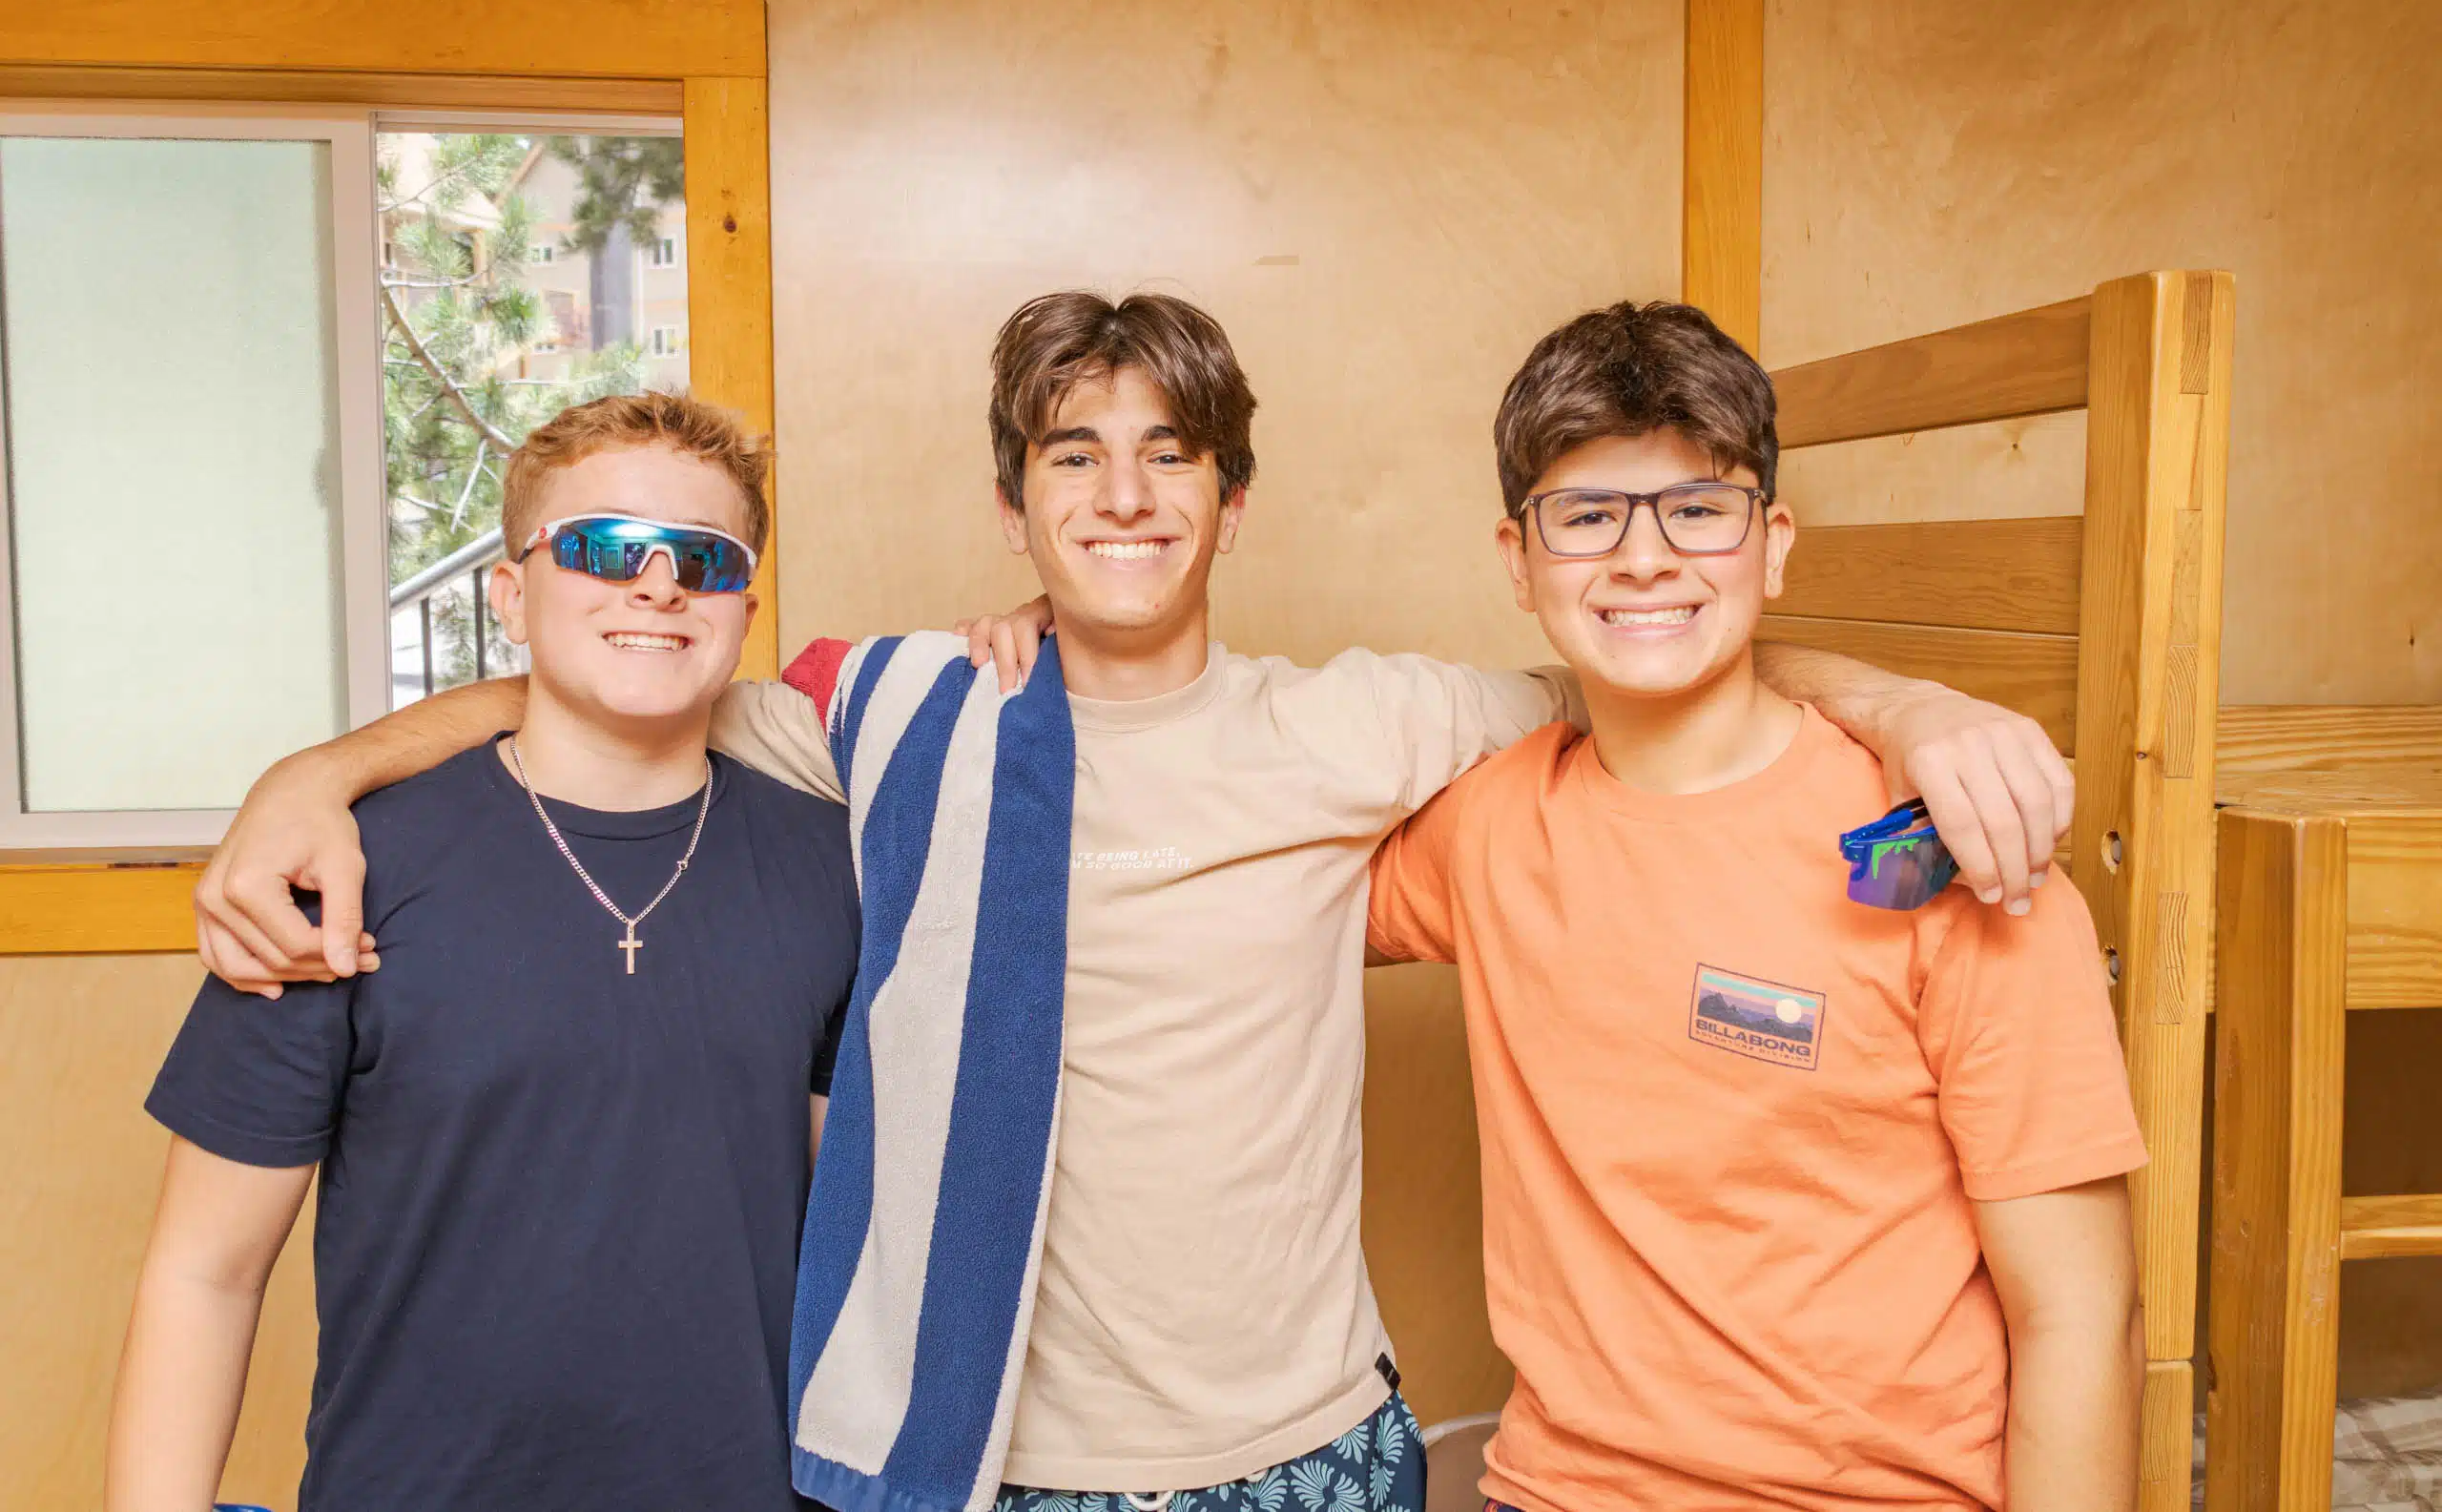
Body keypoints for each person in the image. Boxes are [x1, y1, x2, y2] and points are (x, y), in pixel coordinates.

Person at [191, 293, 2077, 1512]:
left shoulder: (1378, 728)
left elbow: (1667, 681)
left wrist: (1913, 703)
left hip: (1303, 1450)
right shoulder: (903, 713)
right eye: (1072, 456)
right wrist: (318, 772)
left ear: (1227, 499)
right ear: (1016, 501)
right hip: (988, 1450)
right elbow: (612, 684)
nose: (1121, 494)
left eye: (1168, 452)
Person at [1365, 301, 2146, 1512]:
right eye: (1585, 517)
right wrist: (1070, 654)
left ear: (1773, 545)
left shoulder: (1948, 848)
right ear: (1518, 564)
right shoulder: (1487, 829)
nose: (1642, 557)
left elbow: (2081, 1315)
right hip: (1562, 1489)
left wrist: (1902, 711)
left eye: (1697, 508)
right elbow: (1228, 889)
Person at [107, 395, 859, 1512]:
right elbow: (204, 1274)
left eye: (702, 558)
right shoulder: (337, 868)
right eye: (604, 546)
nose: (657, 583)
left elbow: (845, 1250)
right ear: (511, 594)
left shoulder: (831, 869)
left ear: (743, 607)